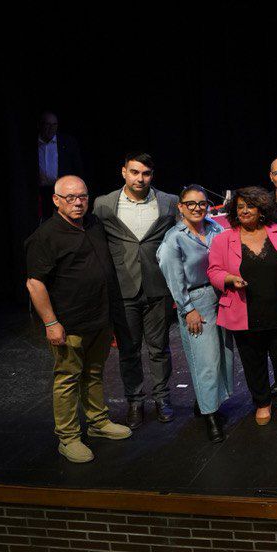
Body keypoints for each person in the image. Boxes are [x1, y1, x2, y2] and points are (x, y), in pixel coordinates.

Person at [25, 175, 132, 463]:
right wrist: (51, 323)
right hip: (69, 322)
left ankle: (98, 422)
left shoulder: (93, 224)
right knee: (68, 379)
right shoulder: (45, 236)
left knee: (94, 372)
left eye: (82, 196)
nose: (78, 202)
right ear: (56, 200)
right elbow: (35, 283)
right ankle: (68, 437)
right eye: (70, 198)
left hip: (99, 318)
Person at [92, 152, 179, 428]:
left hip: (158, 287)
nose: (140, 178)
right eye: (134, 172)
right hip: (123, 288)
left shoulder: (169, 202)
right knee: (128, 350)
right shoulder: (104, 204)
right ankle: (134, 401)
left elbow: (182, 235)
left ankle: (162, 398)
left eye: (146, 173)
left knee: (159, 348)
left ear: (152, 175)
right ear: (124, 172)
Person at [208, 186, 277, 426]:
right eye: (240, 207)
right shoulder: (223, 239)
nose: (245, 211)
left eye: (250, 206)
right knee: (253, 362)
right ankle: (262, 402)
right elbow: (213, 271)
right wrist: (229, 279)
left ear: (261, 209)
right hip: (244, 311)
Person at [156, 184, 235, 443]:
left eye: (202, 203)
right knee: (206, 361)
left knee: (223, 355)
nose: (197, 208)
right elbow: (173, 278)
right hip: (196, 301)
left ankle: (206, 403)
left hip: (221, 296)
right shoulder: (174, 238)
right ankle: (211, 416)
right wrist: (187, 309)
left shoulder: (215, 229)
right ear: (180, 207)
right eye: (190, 203)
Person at [33, 112, 85, 222]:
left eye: (54, 125)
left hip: (61, 192)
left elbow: (77, 168)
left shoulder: (67, 142)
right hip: (38, 192)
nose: (51, 128)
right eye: (47, 124)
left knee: (62, 222)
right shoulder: (32, 144)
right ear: (39, 125)